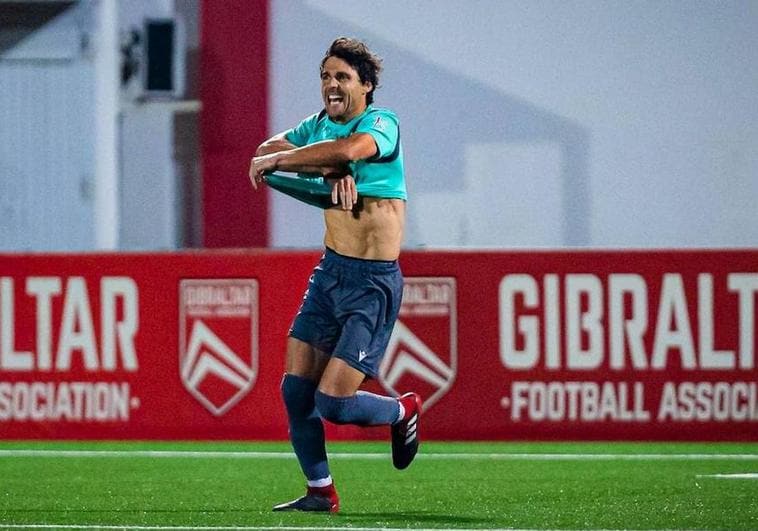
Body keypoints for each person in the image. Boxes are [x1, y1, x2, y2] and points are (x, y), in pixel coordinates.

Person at [248, 37, 421, 514]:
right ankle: (320, 492)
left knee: (336, 405)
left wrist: (301, 160)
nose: (331, 85)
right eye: (325, 76)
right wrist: (326, 170)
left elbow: (352, 149)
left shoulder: (382, 123)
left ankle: (400, 410)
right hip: (330, 274)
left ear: (366, 85)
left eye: (342, 77)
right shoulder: (318, 128)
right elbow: (266, 148)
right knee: (295, 390)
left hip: (372, 283)